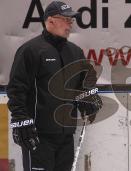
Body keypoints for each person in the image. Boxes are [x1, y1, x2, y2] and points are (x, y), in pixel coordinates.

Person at [7, 1, 102, 171]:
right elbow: (16, 90)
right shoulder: (30, 50)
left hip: (66, 137)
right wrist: (21, 121)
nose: (70, 24)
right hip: (38, 136)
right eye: (66, 20)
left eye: (71, 21)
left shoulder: (75, 52)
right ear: (50, 21)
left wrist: (89, 97)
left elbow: (83, 85)